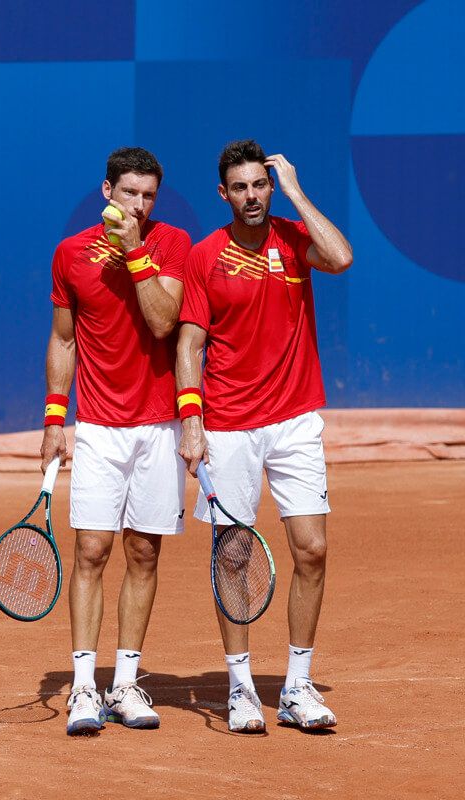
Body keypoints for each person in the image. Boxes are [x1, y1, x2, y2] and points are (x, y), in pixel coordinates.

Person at [175, 139, 352, 733]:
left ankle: (298, 688)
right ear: (223, 194)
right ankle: (243, 687)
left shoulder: (294, 239)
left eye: (262, 185)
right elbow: (190, 346)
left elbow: (342, 257)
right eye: (241, 187)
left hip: (296, 418)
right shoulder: (204, 257)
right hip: (227, 426)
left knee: (313, 550)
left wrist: (298, 193)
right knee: (234, 553)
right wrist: (192, 422)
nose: (253, 196)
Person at [42, 147, 191, 735]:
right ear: (107, 191)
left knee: (144, 553)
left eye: (148, 195)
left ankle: (125, 683)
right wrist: (57, 418)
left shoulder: (173, 244)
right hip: (100, 426)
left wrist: (133, 250)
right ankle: (83, 688)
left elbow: (162, 322)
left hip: (159, 426)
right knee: (91, 552)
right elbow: (63, 339)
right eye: (129, 192)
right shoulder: (70, 254)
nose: (138, 204)